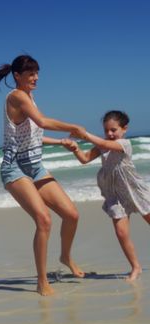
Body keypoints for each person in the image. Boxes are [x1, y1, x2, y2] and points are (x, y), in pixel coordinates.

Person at [0, 55, 86, 296]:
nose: (36, 77)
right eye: (31, 73)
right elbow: (42, 121)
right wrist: (72, 128)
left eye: (37, 72)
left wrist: (59, 142)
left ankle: (65, 256)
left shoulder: (29, 97)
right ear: (17, 76)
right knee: (44, 220)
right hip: (14, 168)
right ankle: (42, 281)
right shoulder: (16, 97)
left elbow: (34, 133)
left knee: (71, 215)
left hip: (35, 166)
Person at [62, 110, 150, 281]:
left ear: (124, 129)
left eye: (113, 130)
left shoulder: (124, 143)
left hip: (134, 191)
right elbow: (85, 159)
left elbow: (105, 144)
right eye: (106, 130)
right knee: (121, 232)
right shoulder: (102, 146)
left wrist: (84, 134)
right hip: (115, 195)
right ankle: (135, 267)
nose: (110, 134)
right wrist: (75, 148)